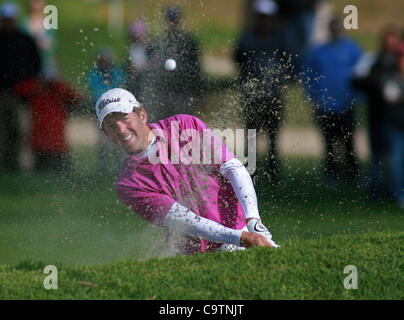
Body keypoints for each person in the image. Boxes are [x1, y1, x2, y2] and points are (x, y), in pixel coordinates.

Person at [95, 88, 280, 255]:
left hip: (243, 228)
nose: (120, 129)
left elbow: (231, 167)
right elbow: (186, 221)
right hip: (199, 255)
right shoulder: (129, 184)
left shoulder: (183, 126)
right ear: (106, 135)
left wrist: (253, 221)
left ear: (142, 115)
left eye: (125, 118)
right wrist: (241, 238)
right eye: (111, 126)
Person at [234, 0, 288, 183]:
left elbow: (288, 62)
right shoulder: (248, 37)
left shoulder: (279, 38)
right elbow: (238, 58)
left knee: (273, 136)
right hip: (253, 96)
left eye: (267, 17)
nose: (264, 20)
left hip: (273, 95)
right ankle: (250, 173)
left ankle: (273, 174)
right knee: (252, 136)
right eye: (261, 17)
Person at [304, 17, 362, 186]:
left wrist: (356, 97)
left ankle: (353, 174)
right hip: (325, 105)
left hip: (346, 103)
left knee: (349, 141)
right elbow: (308, 75)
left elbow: (361, 73)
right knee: (329, 143)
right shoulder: (319, 51)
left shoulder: (352, 49)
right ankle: (331, 174)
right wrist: (313, 96)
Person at [352, 25, 400, 198]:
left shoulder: (399, 62)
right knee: (378, 156)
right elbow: (356, 80)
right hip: (377, 116)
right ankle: (377, 190)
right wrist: (378, 83)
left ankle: (394, 190)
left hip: (395, 119)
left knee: (395, 157)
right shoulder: (373, 61)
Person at [0, 2, 40, 172]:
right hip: (2, 93)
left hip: (22, 95)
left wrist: (27, 86)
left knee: (22, 132)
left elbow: (36, 65)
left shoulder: (25, 40)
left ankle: (21, 168)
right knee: (3, 133)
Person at [144, 5, 203, 121]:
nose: (173, 23)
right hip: (164, 95)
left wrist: (199, 95)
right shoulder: (158, 43)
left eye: (175, 19)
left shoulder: (190, 43)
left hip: (184, 94)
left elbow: (196, 71)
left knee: (183, 128)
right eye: (171, 20)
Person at [13, 75, 81, 174]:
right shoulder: (35, 88)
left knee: (61, 175)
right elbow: (19, 91)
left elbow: (76, 97)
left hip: (57, 144)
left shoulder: (57, 89)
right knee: (42, 174)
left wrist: (55, 85)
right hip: (41, 144)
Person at [382, 43, 404, 209]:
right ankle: (399, 194)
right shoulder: (391, 77)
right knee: (396, 162)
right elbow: (391, 97)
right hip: (397, 126)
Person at [124, 19, 150, 101]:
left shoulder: (150, 49)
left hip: (146, 79)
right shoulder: (131, 49)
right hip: (135, 81)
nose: (137, 38)